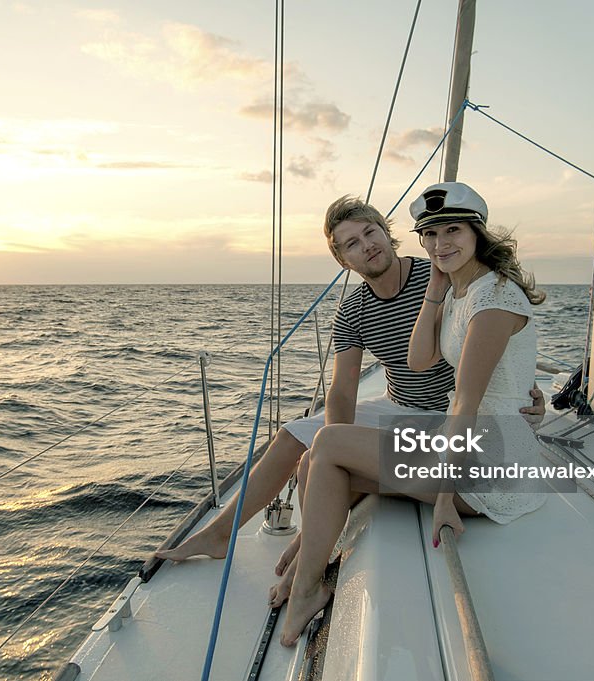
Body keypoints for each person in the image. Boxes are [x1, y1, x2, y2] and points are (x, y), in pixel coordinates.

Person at [156, 193, 545, 579]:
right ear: (343, 261)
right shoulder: (354, 309)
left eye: (370, 232)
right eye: (352, 244)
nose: (367, 246)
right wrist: (338, 435)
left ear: (388, 233)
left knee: (329, 451)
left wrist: (523, 392)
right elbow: (342, 392)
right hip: (399, 403)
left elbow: (489, 351)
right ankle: (221, 534)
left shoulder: (441, 272)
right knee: (294, 436)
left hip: (445, 413)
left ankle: (312, 541)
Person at [280, 182, 546, 646]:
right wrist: (437, 291)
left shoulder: (494, 298)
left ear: (477, 233)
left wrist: (444, 496)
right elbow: (420, 359)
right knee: (314, 464)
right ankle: (308, 570)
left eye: (453, 231)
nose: (441, 244)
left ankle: (305, 586)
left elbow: (464, 401)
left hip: (493, 467)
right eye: (431, 234)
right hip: (465, 445)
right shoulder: (462, 291)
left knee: (327, 445)